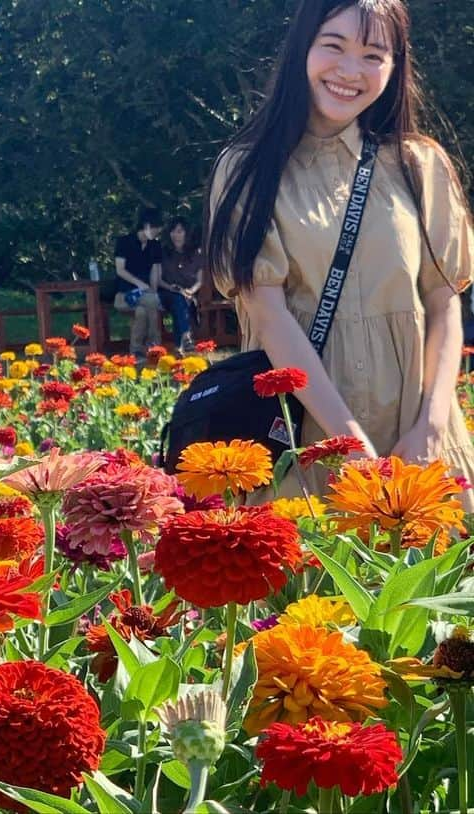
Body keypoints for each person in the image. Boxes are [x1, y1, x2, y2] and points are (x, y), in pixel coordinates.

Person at [206, 0, 474, 509]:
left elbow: (444, 304)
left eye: (374, 54)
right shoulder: (246, 170)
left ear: (394, 69)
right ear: (302, 48)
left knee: (436, 584)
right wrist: (347, 442)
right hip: (306, 440)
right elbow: (270, 316)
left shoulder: (420, 166)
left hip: (418, 440)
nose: (350, 71)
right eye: (334, 46)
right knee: (312, 584)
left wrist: (432, 427)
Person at [108, 206, 164, 356]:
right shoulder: (124, 242)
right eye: (155, 228)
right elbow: (120, 269)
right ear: (146, 226)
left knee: (141, 312)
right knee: (152, 302)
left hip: (146, 296)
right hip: (124, 295)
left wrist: (153, 289)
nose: (157, 232)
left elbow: (155, 270)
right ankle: (155, 345)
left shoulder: (155, 245)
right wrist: (139, 284)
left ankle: (136, 350)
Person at [157, 217, 204, 354]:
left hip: (188, 294)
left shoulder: (196, 253)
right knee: (178, 299)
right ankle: (185, 339)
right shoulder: (163, 252)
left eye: (179, 231)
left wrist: (191, 291)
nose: (175, 235)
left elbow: (200, 280)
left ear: (186, 233)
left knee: (181, 302)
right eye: (173, 231)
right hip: (167, 292)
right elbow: (158, 280)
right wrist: (171, 288)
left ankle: (180, 347)